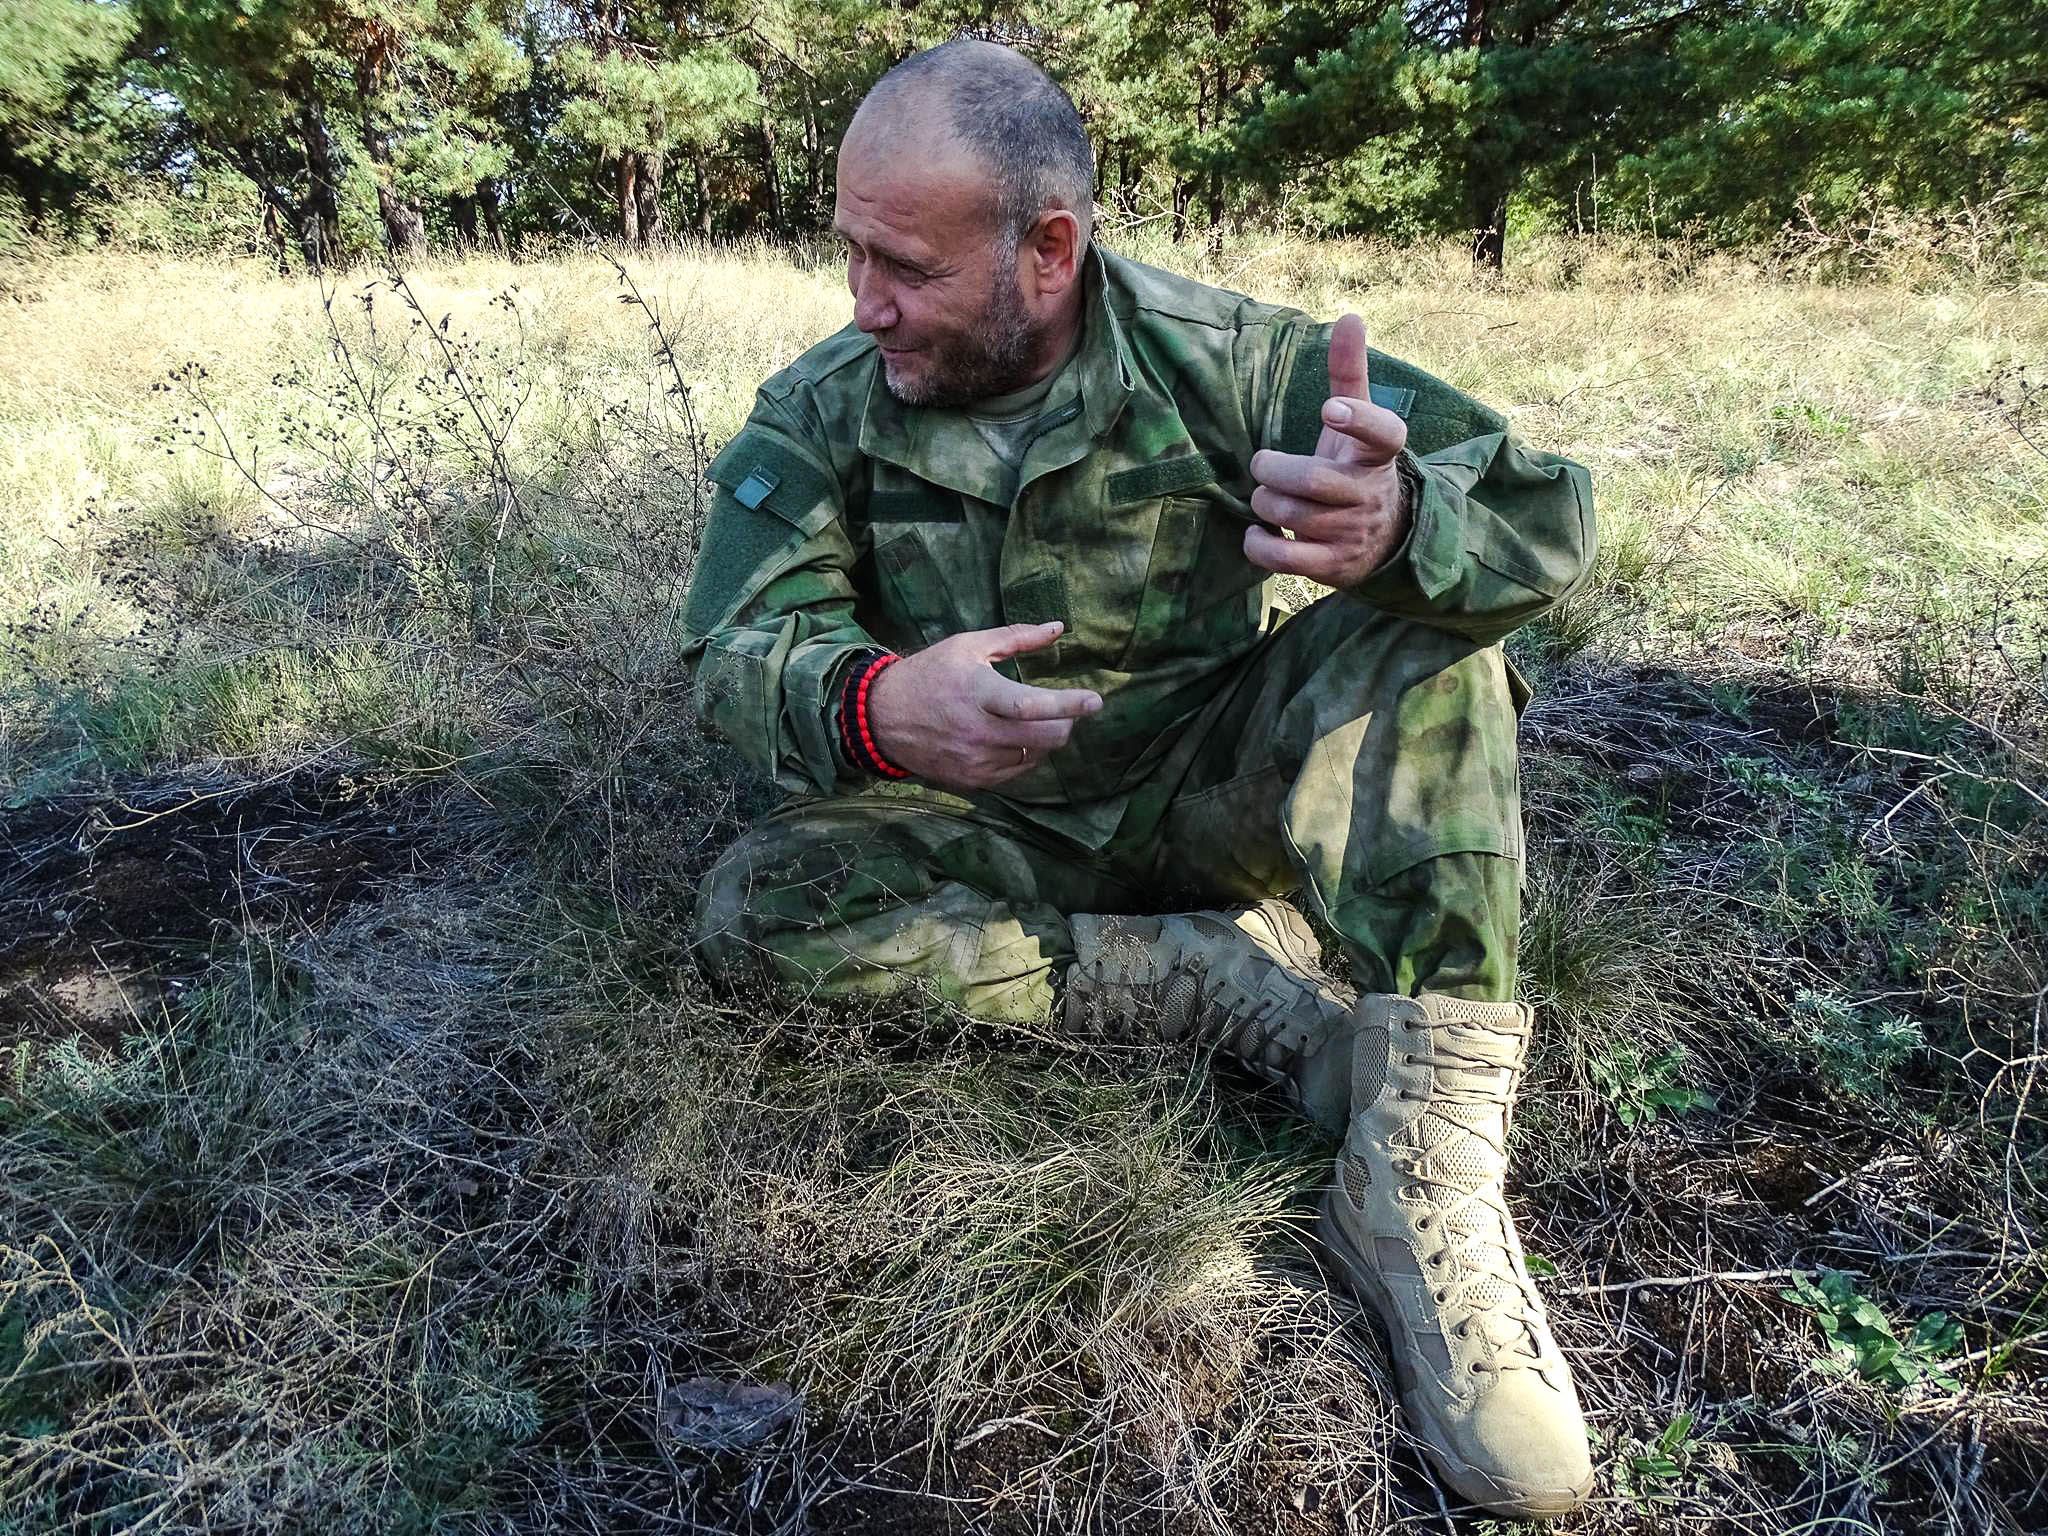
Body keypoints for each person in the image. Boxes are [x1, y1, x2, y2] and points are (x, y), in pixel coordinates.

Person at [682, 38, 1598, 1520]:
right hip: (984, 832)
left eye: (903, 264)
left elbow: (1548, 522)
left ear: (1049, 248)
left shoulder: (1231, 360)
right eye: (848, 251)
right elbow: (729, 647)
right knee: (759, 901)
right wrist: (873, 705)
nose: (864, 302)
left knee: (1442, 653)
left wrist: (1402, 526)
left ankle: (1420, 1177)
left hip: (1210, 797)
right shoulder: (831, 403)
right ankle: (1198, 987)